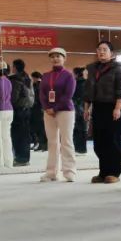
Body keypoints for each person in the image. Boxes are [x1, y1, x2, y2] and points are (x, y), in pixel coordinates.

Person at [84, 40, 121, 184]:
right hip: (97, 107)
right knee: (99, 142)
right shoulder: (92, 69)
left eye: (104, 49)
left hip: (112, 107)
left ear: (111, 53)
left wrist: (117, 108)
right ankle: (103, 172)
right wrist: (86, 109)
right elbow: (88, 90)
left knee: (112, 141)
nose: (101, 52)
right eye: (99, 49)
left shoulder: (118, 69)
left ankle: (114, 172)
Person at [39, 48, 77, 182]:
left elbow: (68, 95)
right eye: (52, 56)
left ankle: (70, 172)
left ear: (64, 58)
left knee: (66, 141)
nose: (55, 59)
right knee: (52, 142)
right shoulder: (45, 75)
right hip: (48, 112)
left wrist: (55, 108)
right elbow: (42, 94)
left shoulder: (69, 75)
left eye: (58, 56)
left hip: (65, 110)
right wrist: (47, 107)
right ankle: (51, 173)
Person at [8, 59, 34, 166]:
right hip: (27, 109)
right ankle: (25, 158)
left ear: (15, 67)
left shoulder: (15, 80)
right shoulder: (27, 78)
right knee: (25, 135)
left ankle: (20, 159)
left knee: (17, 136)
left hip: (18, 110)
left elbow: (14, 98)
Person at [29, 70, 47, 151]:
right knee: (38, 128)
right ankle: (41, 144)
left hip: (38, 108)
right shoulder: (37, 85)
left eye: (32, 78)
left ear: (35, 77)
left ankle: (43, 145)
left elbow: (38, 97)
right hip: (37, 108)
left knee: (40, 128)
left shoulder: (39, 85)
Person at [72, 66, 88, 155]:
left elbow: (75, 97)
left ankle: (79, 149)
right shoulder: (85, 82)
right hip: (83, 108)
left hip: (78, 108)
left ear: (77, 74)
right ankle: (81, 149)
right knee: (82, 129)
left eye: (73, 73)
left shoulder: (76, 83)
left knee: (78, 129)